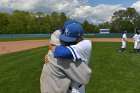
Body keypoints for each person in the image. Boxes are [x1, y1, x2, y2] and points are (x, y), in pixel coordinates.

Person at [40, 21, 92, 93]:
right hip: (68, 86)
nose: (67, 41)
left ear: (80, 38)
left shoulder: (85, 44)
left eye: (70, 39)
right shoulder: (72, 43)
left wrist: (51, 47)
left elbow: (60, 52)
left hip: (77, 87)